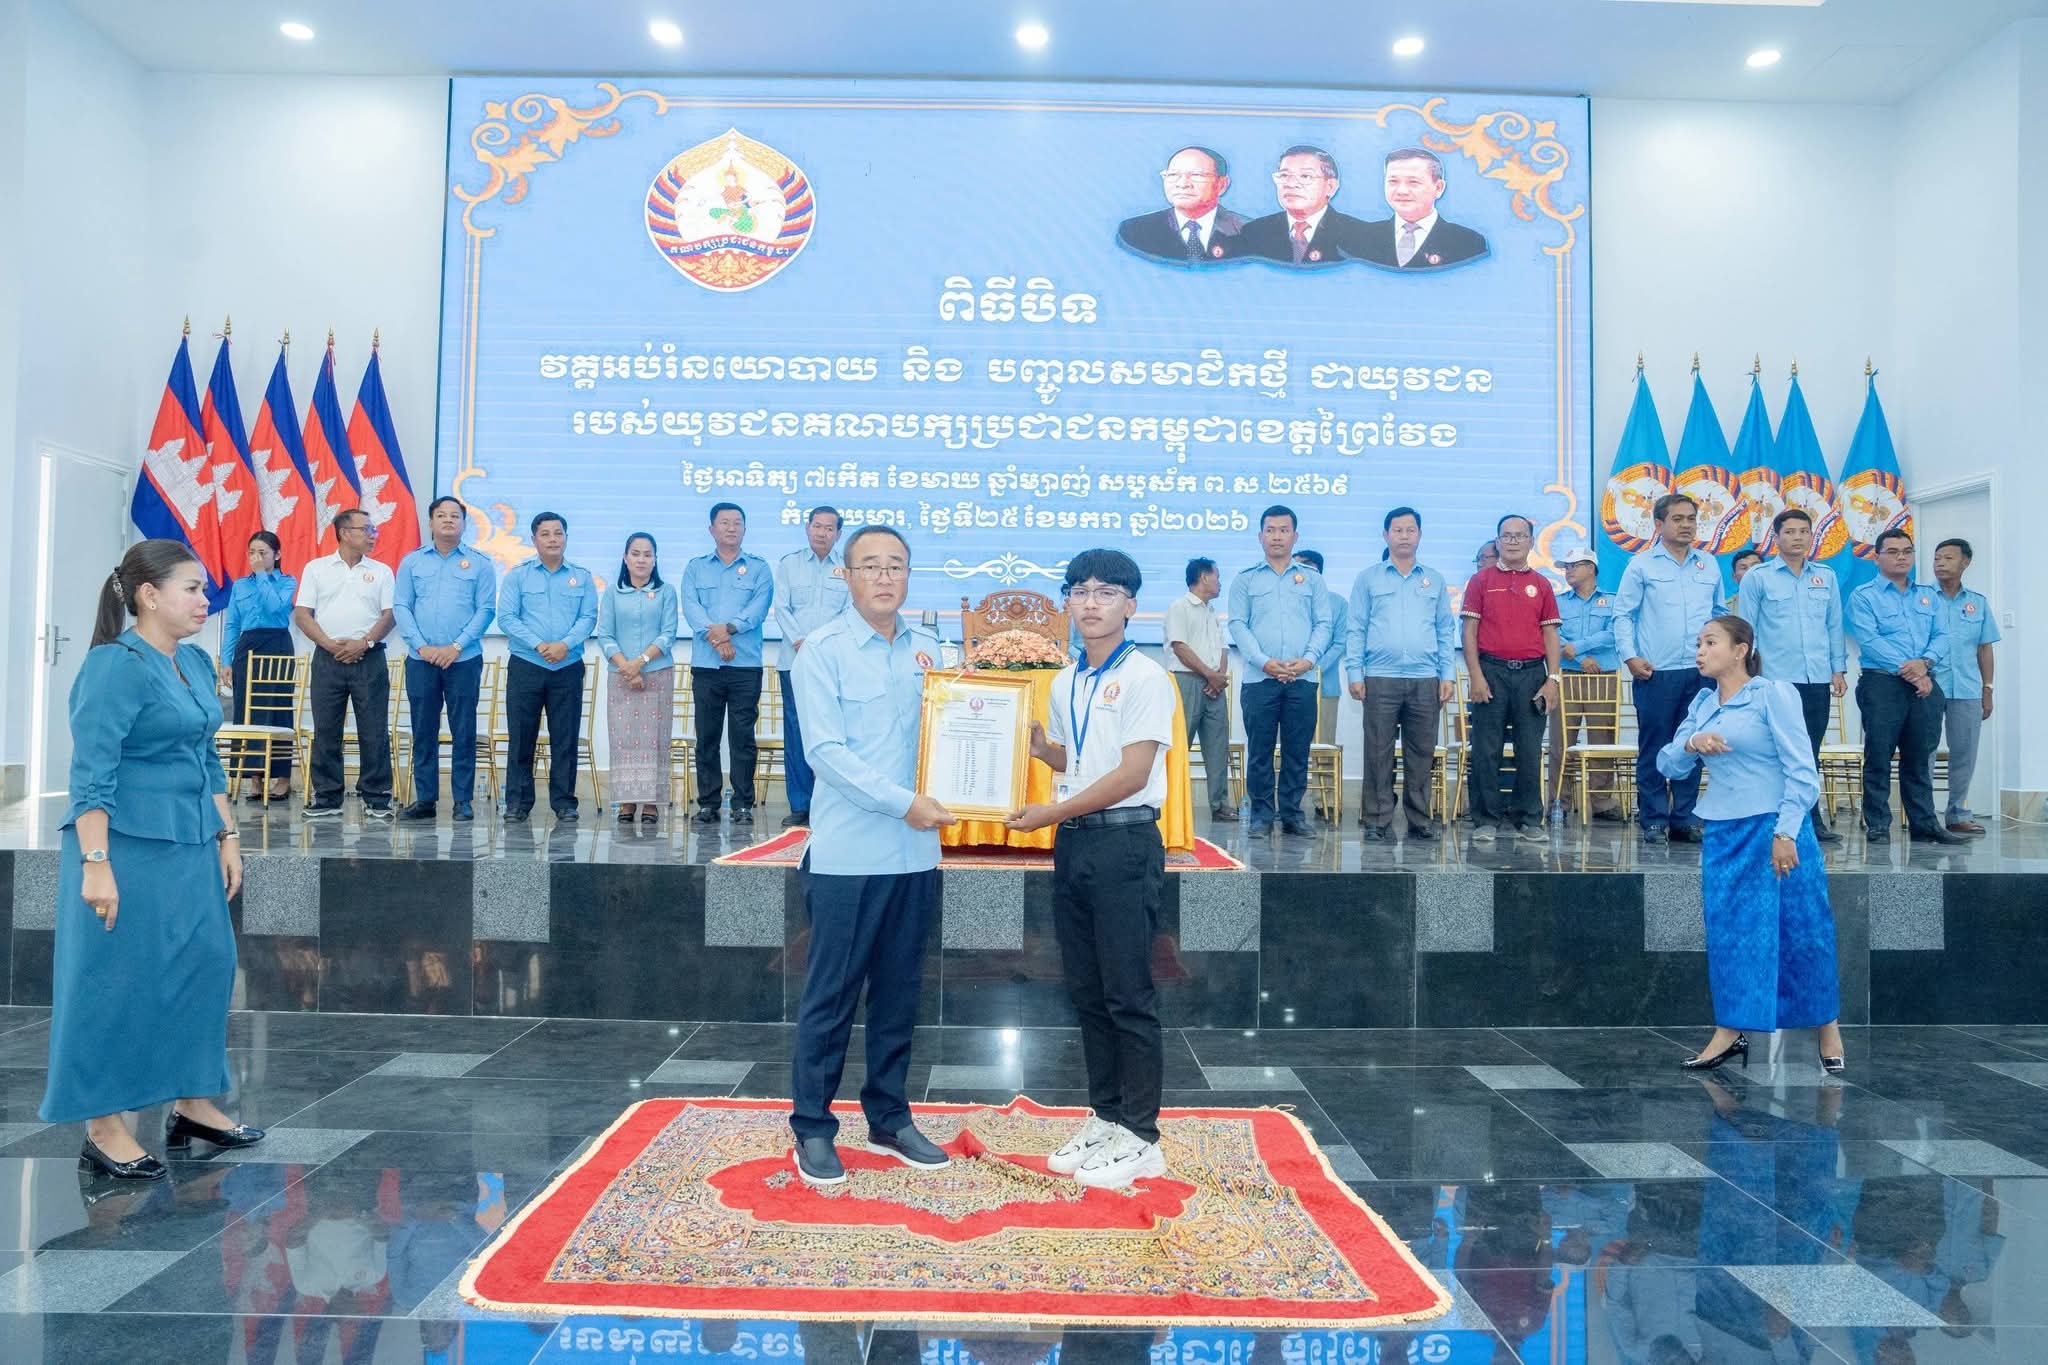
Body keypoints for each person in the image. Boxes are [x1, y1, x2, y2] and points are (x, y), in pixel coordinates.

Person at [49, 539, 264, 1180]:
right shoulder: (114, 667)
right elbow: (91, 773)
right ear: (148, 595)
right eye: (192, 589)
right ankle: (103, 1125)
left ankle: (194, 1102)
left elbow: (206, 756)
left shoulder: (193, 661)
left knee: (205, 966)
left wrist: (228, 837)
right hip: (127, 847)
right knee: (115, 980)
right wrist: (95, 862)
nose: (205, 600)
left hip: (191, 842)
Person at [787, 524, 955, 1186]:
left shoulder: (932, 652)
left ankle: (889, 1117)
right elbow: (825, 753)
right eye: (871, 566)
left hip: (914, 855)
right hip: (848, 857)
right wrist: (903, 801)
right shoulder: (822, 652)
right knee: (831, 998)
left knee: (898, 996)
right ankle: (812, 1126)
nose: (885, 577)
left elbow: (954, 734)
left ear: (909, 576)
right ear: (847, 575)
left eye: (896, 566)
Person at [1007, 548, 1176, 1189]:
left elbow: (1132, 774)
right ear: (1067, 603)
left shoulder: (1145, 677)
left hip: (1124, 844)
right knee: (1088, 991)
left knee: (1128, 993)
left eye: (1106, 592)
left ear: (1130, 605)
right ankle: (1107, 1118)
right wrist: (1037, 748)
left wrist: (1051, 812)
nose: (1090, 603)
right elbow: (1077, 761)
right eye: (1079, 591)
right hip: (1076, 844)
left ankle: (1142, 1136)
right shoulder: (1065, 680)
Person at [1657, 615, 1844, 1075]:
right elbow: (1668, 764)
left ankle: (1827, 1026)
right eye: (1698, 643)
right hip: (1724, 831)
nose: (1700, 651)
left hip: (1777, 828)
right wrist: (1693, 742)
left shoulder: (1772, 694)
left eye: (1710, 642)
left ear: (1740, 650)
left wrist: (1785, 832)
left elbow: (1802, 770)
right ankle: (1730, 1030)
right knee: (1731, 934)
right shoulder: (1703, 704)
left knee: (1803, 928)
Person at [1613, 493, 1725, 844]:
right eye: (1678, 519)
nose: (1686, 525)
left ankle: (1685, 818)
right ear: (1659, 524)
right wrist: (1630, 657)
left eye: (1691, 518)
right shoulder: (1642, 565)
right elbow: (1623, 615)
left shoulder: (1709, 564)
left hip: (1701, 673)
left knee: (1693, 745)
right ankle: (1653, 819)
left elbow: (1719, 614)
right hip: (1655, 672)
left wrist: (1720, 659)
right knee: (1655, 747)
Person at [1345, 506, 1457, 841]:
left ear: (1419, 535)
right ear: (1386, 535)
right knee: (1378, 752)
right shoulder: (1368, 578)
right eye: (1397, 530)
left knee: (1421, 753)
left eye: (1410, 530)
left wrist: (1447, 674)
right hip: (1380, 676)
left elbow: (1444, 630)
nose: (1404, 536)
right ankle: (1377, 820)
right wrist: (1355, 672)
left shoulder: (1434, 579)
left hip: (1426, 678)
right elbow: (1356, 627)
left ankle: (1420, 820)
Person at [1735, 508, 1846, 844]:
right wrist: (1747, 676)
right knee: (1774, 751)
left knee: (1809, 751)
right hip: (1775, 680)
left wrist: (1837, 669)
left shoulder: (1825, 576)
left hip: (1816, 679)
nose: (1797, 538)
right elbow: (1747, 630)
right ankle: (1771, 818)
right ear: (1776, 537)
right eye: (1790, 532)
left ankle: (1810, 819)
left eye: (1804, 532)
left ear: (1812, 536)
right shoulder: (1758, 577)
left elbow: (1834, 625)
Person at [1848, 529, 1964, 845]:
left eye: (1907, 551)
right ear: (1877, 557)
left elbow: (1943, 635)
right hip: (1882, 683)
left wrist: (1924, 664)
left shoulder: (1927, 595)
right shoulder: (1863, 596)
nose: (1902, 557)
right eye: (1893, 551)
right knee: (1879, 755)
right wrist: (1914, 672)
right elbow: (1870, 640)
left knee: (1919, 757)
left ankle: (1924, 824)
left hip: (1925, 684)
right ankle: (1878, 824)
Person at [1226, 505, 1333, 836]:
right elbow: (1238, 625)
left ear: (1294, 536)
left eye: (1283, 530)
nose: (1277, 536)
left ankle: (1292, 815)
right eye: (1270, 530)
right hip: (1260, 679)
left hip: (1302, 679)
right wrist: (1264, 661)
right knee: (1259, 751)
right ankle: (1261, 816)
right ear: (1260, 536)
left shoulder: (1313, 580)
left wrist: (1308, 660)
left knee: (1296, 751)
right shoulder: (1245, 579)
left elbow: (1324, 623)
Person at [393, 496, 496, 823]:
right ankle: (425, 799)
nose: (448, 520)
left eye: (455, 516)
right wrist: (422, 646)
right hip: (420, 659)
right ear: (431, 522)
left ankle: (462, 800)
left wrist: (456, 646)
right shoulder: (412, 562)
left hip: (463, 660)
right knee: (423, 730)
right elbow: (401, 606)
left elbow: (486, 610)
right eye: (441, 515)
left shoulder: (480, 564)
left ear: (464, 523)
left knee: (463, 730)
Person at [1460, 514, 1561, 844]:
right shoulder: (1481, 581)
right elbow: (1469, 631)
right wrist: (1476, 675)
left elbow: (1550, 636)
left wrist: (1553, 679)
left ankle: (1528, 818)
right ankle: (1486, 819)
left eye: (1520, 536)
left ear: (1531, 541)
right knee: (1485, 749)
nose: (1513, 541)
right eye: (1507, 535)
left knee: (1529, 750)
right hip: (1490, 672)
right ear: (1498, 541)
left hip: (1532, 674)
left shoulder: (1542, 584)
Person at [292, 508, 396, 820]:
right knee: (326, 729)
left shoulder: (382, 571)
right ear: (344, 533)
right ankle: (327, 797)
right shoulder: (316, 568)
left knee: (374, 729)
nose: (373, 535)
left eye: (373, 529)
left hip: (369, 657)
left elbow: (390, 614)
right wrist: (329, 645)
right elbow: (302, 614)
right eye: (366, 529)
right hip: (328, 658)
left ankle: (377, 797)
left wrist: (364, 643)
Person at [496, 511, 598, 824]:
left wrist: (564, 644)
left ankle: (564, 803)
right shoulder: (518, 576)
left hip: (567, 666)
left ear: (566, 537)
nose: (553, 539)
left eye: (558, 533)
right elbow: (507, 617)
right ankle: (517, 803)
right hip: (527, 664)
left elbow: (588, 617)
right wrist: (540, 645)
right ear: (534, 539)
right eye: (545, 534)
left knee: (565, 738)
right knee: (521, 737)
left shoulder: (582, 577)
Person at [682, 502, 774, 825]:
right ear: (712, 529)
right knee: (707, 737)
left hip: (745, 666)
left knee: (742, 738)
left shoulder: (759, 568)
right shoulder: (695, 568)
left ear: (745, 529)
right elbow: (692, 608)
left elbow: (758, 608)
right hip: (707, 666)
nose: (731, 528)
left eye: (737, 522)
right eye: (724, 522)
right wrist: (718, 639)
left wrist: (730, 629)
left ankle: (742, 804)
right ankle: (708, 803)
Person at [772, 506, 848, 828]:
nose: (822, 533)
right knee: (796, 733)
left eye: (829, 528)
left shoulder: (848, 568)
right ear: (807, 528)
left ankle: (830, 804)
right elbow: (781, 608)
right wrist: (801, 642)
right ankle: (800, 805)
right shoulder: (789, 564)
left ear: (838, 534)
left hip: (833, 664)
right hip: (794, 662)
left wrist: (820, 646)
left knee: (833, 734)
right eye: (817, 526)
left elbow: (848, 612)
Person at [596, 532, 680, 824]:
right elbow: (605, 635)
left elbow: (668, 633)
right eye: (635, 553)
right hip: (620, 676)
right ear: (625, 558)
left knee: (655, 739)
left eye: (647, 554)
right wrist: (626, 667)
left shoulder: (667, 591)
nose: (641, 559)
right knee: (624, 739)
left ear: (655, 560)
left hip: (657, 674)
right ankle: (627, 801)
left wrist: (640, 662)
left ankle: (652, 802)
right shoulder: (612, 593)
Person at [215, 530, 298, 802]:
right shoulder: (240, 585)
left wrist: (262, 574)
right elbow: (232, 624)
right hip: (247, 646)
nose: (256, 558)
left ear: (278, 554)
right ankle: (254, 776)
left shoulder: (287, 581)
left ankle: (283, 778)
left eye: (262, 553)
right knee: (247, 710)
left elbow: (276, 608)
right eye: (252, 553)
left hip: (277, 644)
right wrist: (226, 661)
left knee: (277, 708)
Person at [1548, 547, 1625, 824]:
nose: (1568, 571)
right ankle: (1559, 801)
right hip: (1566, 675)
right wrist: (1581, 658)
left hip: (1603, 676)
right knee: (1561, 741)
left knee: (1602, 738)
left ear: (1591, 568)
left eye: (1574, 566)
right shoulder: (1557, 602)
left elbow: (1614, 633)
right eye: (1565, 567)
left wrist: (1579, 647)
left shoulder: (1613, 601)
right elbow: (1551, 634)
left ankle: (1601, 801)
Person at [1931, 537, 1999, 837]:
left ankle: (1958, 813)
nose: (1940, 563)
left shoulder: (1978, 603)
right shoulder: (1923, 599)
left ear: (1965, 562)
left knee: (1965, 754)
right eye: (1937, 558)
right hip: (1927, 687)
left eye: (1948, 558)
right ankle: (1924, 816)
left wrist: (1988, 689)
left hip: (1968, 688)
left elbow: (1985, 648)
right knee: (1925, 752)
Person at [1163, 557, 1236, 822]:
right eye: (1217, 576)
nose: (1220, 582)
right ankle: (1172, 803)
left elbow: (1223, 649)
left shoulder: (1212, 611)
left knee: (1218, 746)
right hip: (1187, 682)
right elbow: (1180, 647)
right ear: (1204, 577)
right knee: (1179, 744)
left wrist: (1218, 677)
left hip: (1214, 685)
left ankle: (1220, 804)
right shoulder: (1179, 607)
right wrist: (1210, 675)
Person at [1357, 148, 1489, 270]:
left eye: (1413, 182)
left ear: (1438, 188)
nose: (1402, 191)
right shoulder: (1363, 238)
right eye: (1393, 181)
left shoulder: (1468, 242)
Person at [1237, 146, 1373, 266]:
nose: (1290, 184)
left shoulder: (1357, 234)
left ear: (1330, 187)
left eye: (1306, 176)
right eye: (1284, 175)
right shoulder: (1255, 232)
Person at [1116, 145, 1248, 263]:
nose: (1182, 184)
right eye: (1173, 175)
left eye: (1197, 175)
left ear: (1222, 185)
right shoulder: (1135, 231)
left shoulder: (1249, 231)